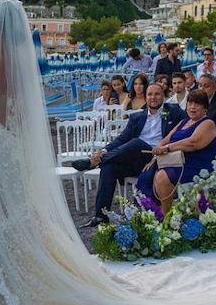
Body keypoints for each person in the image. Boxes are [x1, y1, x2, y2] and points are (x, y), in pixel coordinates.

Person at [0, 0, 216, 305]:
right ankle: (98, 173)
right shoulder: (15, 64)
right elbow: (5, 115)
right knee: (14, 218)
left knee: (0, 219)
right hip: (10, 149)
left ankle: (8, 278)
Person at [71, 83, 187, 226]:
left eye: (157, 94)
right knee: (109, 167)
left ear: (163, 96)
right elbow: (122, 139)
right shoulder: (137, 117)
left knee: (136, 143)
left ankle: (95, 162)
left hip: (158, 158)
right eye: (150, 94)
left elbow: (187, 125)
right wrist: (104, 151)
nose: (153, 97)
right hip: (137, 160)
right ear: (145, 97)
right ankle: (101, 216)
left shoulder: (174, 112)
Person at [137, 90, 216, 214]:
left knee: (162, 176)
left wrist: (166, 149)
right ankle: (151, 210)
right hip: (175, 160)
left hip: (196, 164)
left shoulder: (207, 123)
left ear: (205, 108)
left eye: (197, 104)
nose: (192, 107)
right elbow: (165, 140)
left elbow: (193, 143)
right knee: (148, 170)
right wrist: (154, 158)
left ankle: (165, 214)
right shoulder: (184, 121)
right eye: (190, 103)